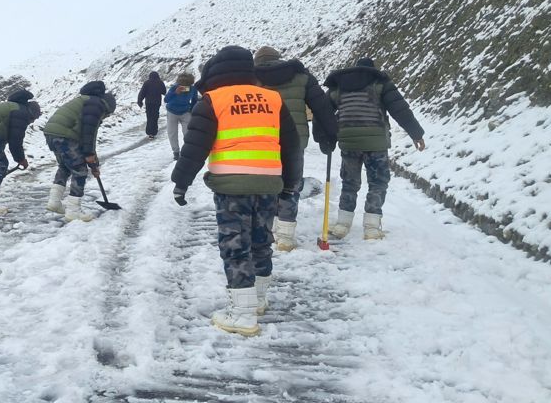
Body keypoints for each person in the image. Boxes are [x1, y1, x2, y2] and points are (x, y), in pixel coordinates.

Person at [171, 46, 302, 336]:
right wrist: (291, 182)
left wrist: (181, 182)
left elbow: (195, 147)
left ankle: (242, 315)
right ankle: (258, 300)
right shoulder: (273, 99)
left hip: (232, 186)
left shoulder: (212, 100)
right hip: (268, 182)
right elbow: (291, 145)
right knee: (261, 241)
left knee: (235, 245)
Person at [323, 57, 425, 240]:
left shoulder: (340, 87)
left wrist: (325, 137)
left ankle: (342, 224)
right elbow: (399, 109)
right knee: (378, 182)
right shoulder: (380, 83)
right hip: (376, 142)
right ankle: (371, 226)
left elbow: (323, 112)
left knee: (349, 182)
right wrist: (416, 133)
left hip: (349, 141)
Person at [253, 46, 338, 251]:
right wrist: (329, 135)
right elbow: (323, 108)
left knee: (265, 184)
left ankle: (268, 228)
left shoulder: (250, 78)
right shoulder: (302, 77)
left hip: (261, 139)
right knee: (291, 184)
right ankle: (286, 238)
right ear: (278, 59)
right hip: (295, 141)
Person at [43, 81, 117, 222]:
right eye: (108, 114)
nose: (106, 117)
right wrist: (89, 156)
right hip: (64, 135)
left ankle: (54, 202)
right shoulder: (97, 105)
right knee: (80, 170)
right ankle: (73, 211)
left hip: (51, 133)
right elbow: (89, 134)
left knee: (65, 166)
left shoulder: (86, 101)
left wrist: (94, 164)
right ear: (108, 106)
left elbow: (87, 138)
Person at [164, 72, 200, 160]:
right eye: (182, 85)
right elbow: (166, 99)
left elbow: (195, 100)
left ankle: (187, 150)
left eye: (187, 85)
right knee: (172, 133)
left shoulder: (192, 89)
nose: (185, 87)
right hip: (172, 112)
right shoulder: (174, 87)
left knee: (188, 132)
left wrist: (191, 110)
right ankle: (176, 152)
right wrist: (175, 93)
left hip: (185, 112)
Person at [137, 71, 167, 138]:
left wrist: (140, 101)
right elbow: (164, 92)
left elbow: (142, 93)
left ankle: (149, 132)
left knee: (149, 116)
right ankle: (153, 132)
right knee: (155, 117)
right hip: (157, 103)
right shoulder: (160, 82)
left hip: (148, 103)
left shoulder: (147, 83)